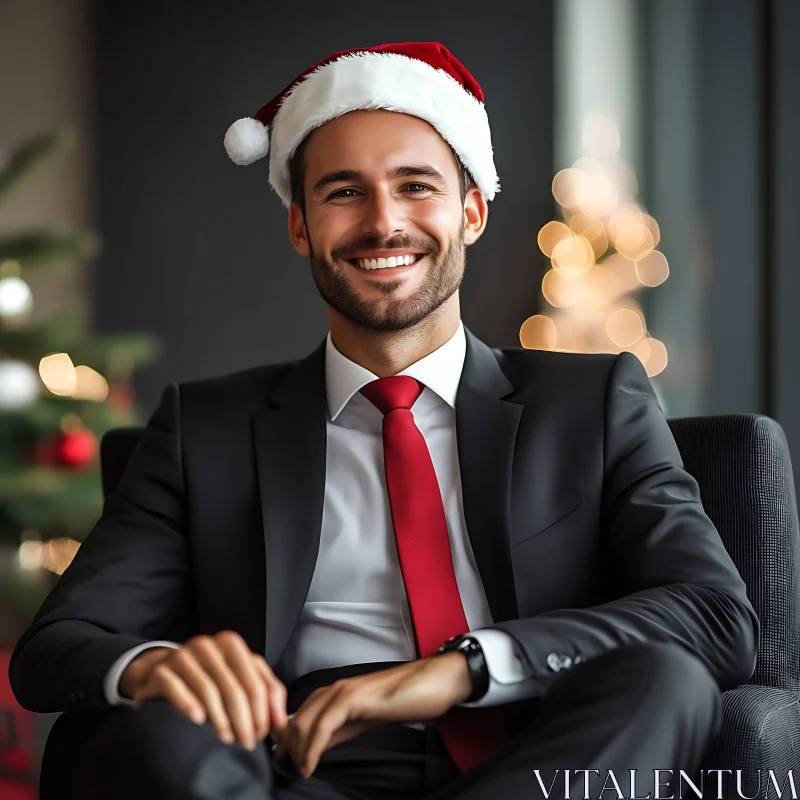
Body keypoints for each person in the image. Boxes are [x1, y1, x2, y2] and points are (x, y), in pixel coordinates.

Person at [9, 41, 758, 800]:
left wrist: (463, 668)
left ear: (470, 212)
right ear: (299, 227)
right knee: (138, 730)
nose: (383, 222)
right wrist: (154, 666)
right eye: (343, 192)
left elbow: (714, 616)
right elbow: (57, 647)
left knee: (665, 678)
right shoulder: (204, 429)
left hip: (529, 756)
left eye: (415, 186)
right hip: (287, 774)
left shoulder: (594, 400)